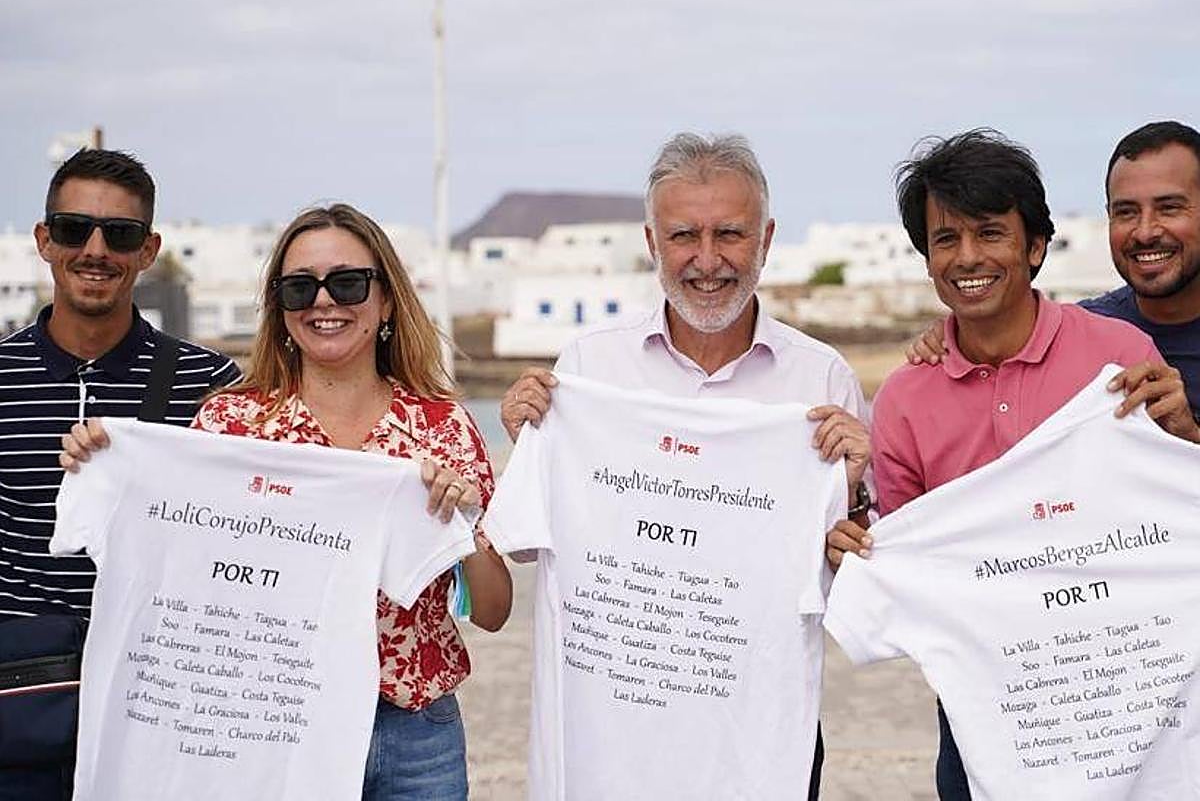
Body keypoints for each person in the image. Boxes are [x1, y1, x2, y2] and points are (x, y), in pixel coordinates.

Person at [61, 204, 513, 801]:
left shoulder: (441, 428)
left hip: (413, 739)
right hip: (270, 728)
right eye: (300, 288)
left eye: (348, 282)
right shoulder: (230, 426)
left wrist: (462, 522)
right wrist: (111, 466)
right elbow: (183, 569)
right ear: (280, 307)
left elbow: (491, 611)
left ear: (385, 300)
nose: (324, 302)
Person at [825, 129, 1198, 800]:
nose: (968, 257)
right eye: (946, 239)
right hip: (992, 730)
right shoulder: (907, 398)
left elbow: (1176, 517)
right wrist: (856, 539)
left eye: (991, 233)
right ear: (927, 258)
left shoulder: (1121, 354)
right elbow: (908, 554)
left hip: (1140, 714)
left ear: (1034, 246)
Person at [499, 132, 872, 799]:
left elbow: (850, 584)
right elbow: (529, 551)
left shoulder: (823, 381)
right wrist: (530, 447)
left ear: (767, 239)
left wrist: (851, 496)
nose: (707, 260)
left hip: (760, 732)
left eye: (729, 233)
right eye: (682, 237)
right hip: (612, 730)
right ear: (651, 243)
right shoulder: (586, 369)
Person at [0, 149, 240, 801]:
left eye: (121, 234)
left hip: (160, 711)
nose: (96, 249)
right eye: (75, 229)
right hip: (19, 707)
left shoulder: (211, 386)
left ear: (149, 249)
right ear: (45, 240)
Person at [907, 120, 1200, 419]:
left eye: (1169, 208)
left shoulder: (1118, 345)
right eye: (1126, 212)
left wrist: (1188, 437)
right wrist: (959, 336)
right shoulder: (1094, 338)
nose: (1145, 232)